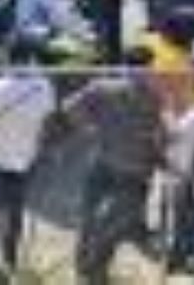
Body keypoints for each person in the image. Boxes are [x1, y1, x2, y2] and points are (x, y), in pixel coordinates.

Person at [66, 46, 167, 283]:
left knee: (89, 215)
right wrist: (159, 156)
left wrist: (89, 129)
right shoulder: (153, 96)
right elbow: (158, 134)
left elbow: (70, 107)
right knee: (114, 223)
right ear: (149, 67)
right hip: (134, 168)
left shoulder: (103, 86)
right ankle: (97, 270)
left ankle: (83, 266)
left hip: (102, 159)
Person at [0, 31, 57, 281]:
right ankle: (9, 256)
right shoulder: (45, 86)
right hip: (24, 156)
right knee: (15, 210)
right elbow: (46, 123)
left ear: (8, 56)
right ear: (31, 58)